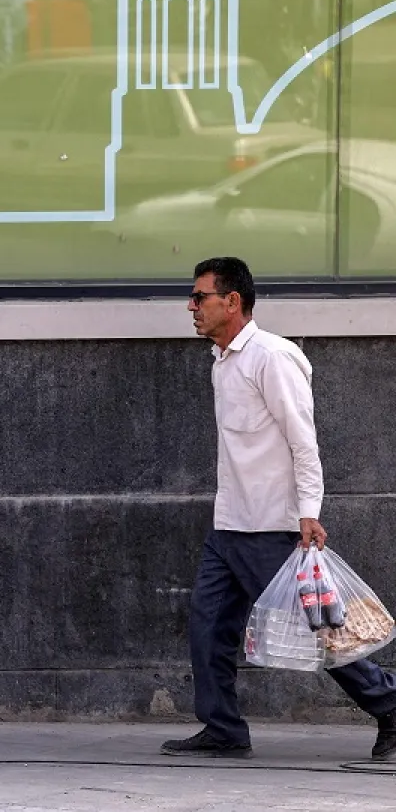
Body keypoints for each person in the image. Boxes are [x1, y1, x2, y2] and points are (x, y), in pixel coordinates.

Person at [163, 257, 396, 760]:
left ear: (232, 302)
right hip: (229, 525)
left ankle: (391, 705)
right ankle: (223, 728)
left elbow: (303, 441)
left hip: (272, 527)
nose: (191, 306)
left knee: (322, 632)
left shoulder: (272, 358)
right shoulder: (224, 361)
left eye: (200, 297)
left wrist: (309, 511)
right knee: (208, 629)